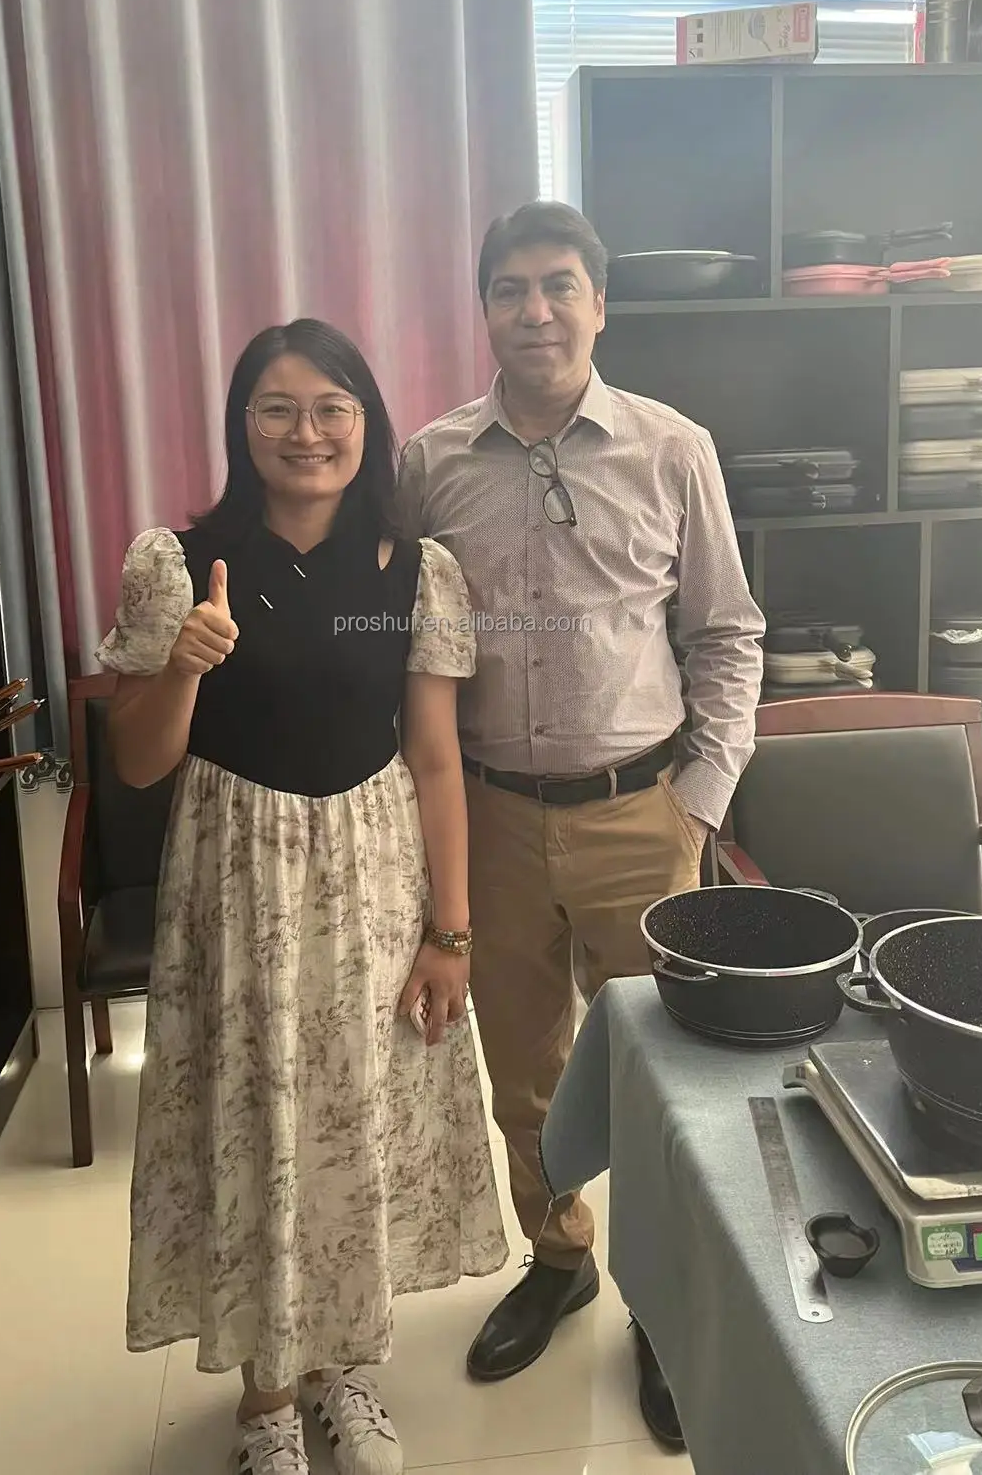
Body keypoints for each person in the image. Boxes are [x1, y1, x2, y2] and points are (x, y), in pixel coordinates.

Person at [97, 319, 509, 1475]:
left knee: (354, 1116)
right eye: (276, 408)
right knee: (255, 1118)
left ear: (366, 422)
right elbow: (138, 763)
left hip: (372, 875)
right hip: (236, 881)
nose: (306, 432)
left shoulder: (415, 569)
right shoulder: (178, 562)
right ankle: (265, 1395)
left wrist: (450, 932)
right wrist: (183, 663)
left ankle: (341, 1368)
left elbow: (435, 758)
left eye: (331, 407)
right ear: (243, 426)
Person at [397, 201, 764, 1453]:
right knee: (526, 1071)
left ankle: (661, 1308)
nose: (536, 310)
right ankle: (558, 1259)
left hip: (638, 813)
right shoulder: (431, 461)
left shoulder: (672, 448)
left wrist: (699, 797)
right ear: (483, 309)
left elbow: (726, 633)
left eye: (559, 285)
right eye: (510, 288)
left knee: (663, 1081)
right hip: (491, 818)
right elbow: (400, 641)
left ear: (600, 304)